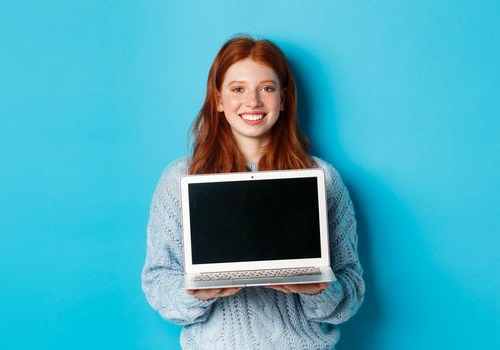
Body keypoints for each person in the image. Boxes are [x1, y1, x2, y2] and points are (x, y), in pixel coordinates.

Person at [141, 35, 365, 349]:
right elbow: (158, 281)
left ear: (284, 99)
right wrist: (194, 293)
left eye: (267, 88)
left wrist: (319, 289)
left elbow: (351, 289)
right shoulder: (180, 178)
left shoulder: (323, 178)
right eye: (238, 89)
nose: (253, 102)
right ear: (218, 99)